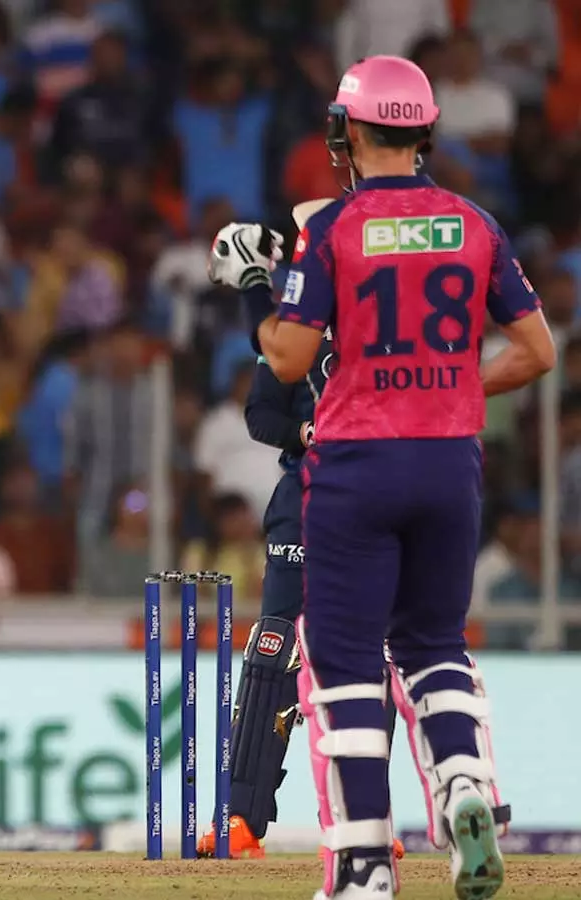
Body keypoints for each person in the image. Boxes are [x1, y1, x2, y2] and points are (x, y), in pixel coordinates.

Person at [208, 56, 554, 900]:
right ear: (426, 132)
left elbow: (288, 358)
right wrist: (451, 392)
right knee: (435, 647)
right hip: (449, 462)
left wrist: (253, 289)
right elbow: (537, 352)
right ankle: (465, 784)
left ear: (346, 132)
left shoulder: (334, 229)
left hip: (356, 464)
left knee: (344, 662)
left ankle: (363, 864)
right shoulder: (475, 224)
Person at [199, 335, 406, 863]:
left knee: (369, 658)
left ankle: (361, 821)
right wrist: (305, 432)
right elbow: (260, 415)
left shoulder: (396, 321)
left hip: (378, 501)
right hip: (306, 498)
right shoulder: (296, 328)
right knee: (274, 649)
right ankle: (239, 819)